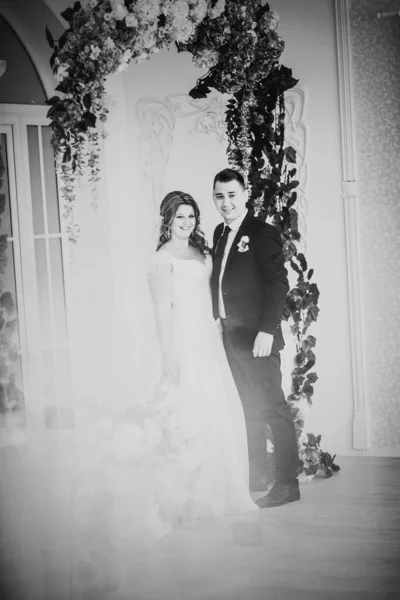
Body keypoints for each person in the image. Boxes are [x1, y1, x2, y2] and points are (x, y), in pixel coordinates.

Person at [147, 190, 257, 526]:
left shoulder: (202, 252)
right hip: (182, 340)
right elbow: (161, 313)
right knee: (189, 410)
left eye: (191, 216)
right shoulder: (161, 260)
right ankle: (189, 495)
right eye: (180, 216)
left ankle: (223, 486)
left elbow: (212, 294)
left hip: (208, 339)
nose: (186, 222)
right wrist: (169, 357)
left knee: (217, 408)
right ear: (168, 219)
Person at [211, 168, 300, 508]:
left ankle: (288, 484)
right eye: (220, 196)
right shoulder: (220, 232)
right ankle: (257, 474)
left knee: (273, 408)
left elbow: (279, 283)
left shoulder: (262, 233)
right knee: (248, 408)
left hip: (258, 338)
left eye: (232, 195)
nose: (226, 202)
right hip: (231, 337)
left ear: (244, 194)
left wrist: (268, 330)